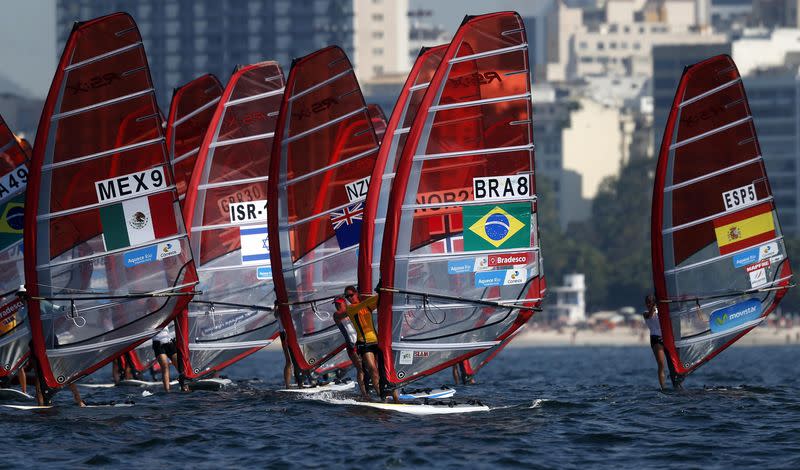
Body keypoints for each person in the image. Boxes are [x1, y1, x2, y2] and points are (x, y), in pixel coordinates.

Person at [343, 285, 398, 402]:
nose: (349, 298)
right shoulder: (350, 309)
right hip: (364, 344)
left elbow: (378, 301)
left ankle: (396, 399)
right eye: (347, 297)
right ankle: (382, 397)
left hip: (377, 342)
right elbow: (365, 304)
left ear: (356, 293)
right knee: (373, 369)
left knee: (387, 370)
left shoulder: (367, 306)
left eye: (351, 295)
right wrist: (379, 294)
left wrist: (382, 292)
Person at [333, 297, 368, 400]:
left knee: (370, 367)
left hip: (362, 342)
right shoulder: (337, 315)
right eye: (335, 304)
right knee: (360, 369)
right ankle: (364, 393)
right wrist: (360, 305)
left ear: (344, 304)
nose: (337, 306)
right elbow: (347, 313)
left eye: (339, 304)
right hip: (352, 347)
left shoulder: (352, 310)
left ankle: (370, 389)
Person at [151, 325, 187, 392]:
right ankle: (167, 390)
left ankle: (184, 386)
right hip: (158, 344)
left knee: (180, 366)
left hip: (169, 342)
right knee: (165, 366)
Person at [644, 294, 666, 390]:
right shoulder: (645, 313)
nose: (648, 304)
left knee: (674, 362)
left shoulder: (660, 311)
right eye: (647, 303)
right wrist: (653, 307)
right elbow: (650, 315)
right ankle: (663, 387)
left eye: (650, 302)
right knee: (661, 363)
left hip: (667, 338)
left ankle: (677, 381)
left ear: (654, 302)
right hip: (656, 339)